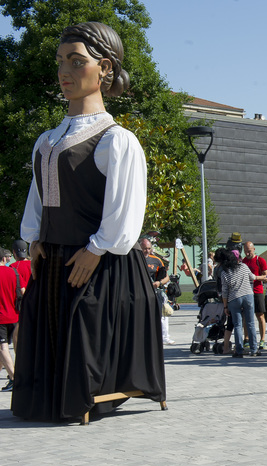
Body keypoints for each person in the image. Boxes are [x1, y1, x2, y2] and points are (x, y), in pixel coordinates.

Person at [14, 22, 166, 422]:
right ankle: (49, 396)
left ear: (105, 68)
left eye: (76, 61)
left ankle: (85, 395)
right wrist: (34, 239)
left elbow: (125, 209)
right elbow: (37, 198)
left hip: (101, 265)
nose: (64, 71)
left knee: (84, 329)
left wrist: (97, 249)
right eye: (61, 61)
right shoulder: (46, 140)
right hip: (53, 259)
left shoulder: (117, 140)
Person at [215, 247, 258, 357]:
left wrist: (225, 307)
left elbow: (225, 291)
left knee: (238, 325)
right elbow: (252, 277)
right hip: (248, 295)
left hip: (234, 298)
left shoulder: (225, 273)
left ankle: (239, 350)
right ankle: (254, 349)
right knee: (250, 323)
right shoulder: (243, 266)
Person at [241, 241, 267, 351]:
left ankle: (262, 339)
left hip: (257, 291)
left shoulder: (260, 260)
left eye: (249, 251)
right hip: (246, 292)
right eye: (245, 251)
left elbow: (266, 276)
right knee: (246, 316)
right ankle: (247, 339)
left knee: (260, 315)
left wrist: (255, 277)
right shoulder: (243, 262)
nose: (247, 253)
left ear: (254, 249)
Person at [0, 260, 17, 391]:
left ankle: (14, 379)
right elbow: (21, 290)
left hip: (1, 317)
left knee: (2, 348)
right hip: (14, 315)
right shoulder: (13, 271)